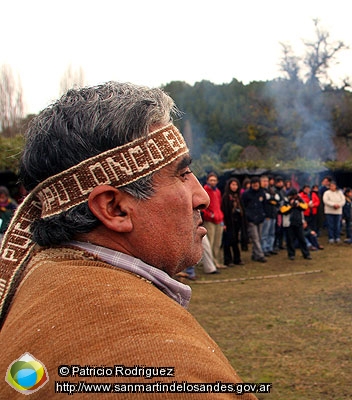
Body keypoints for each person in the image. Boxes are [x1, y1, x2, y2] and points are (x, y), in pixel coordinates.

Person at [0, 82, 257, 399]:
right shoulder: (167, 373)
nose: (202, 196)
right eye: (182, 173)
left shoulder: (41, 279)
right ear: (115, 208)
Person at [280, 189, 311, 260]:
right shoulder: (285, 201)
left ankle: (306, 254)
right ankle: (291, 254)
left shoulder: (299, 200)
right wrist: (291, 206)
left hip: (298, 222)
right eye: (293, 195)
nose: (295, 196)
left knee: (302, 239)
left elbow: (305, 207)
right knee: (290, 240)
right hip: (289, 223)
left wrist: (298, 204)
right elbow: (282, 210)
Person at [242, 176, 267, 262]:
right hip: (251, 219)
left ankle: (255, 254)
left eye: (257, 184)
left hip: (260, 218)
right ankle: (260, 255)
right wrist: (248, 216)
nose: (256, 186)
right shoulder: (246, 194)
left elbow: (264, 204)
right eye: (254, 184)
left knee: (259, 238)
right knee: (255, 238)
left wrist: (264, 215)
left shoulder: (262, 193)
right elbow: (243, 206)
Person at [203, 172, 225, 268]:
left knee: (217, 243)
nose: (213, 182)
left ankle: (216, 261)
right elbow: (203, 207)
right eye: (211, 180)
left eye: (214, 180)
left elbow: (219, 205)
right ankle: (210, 263)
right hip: (210, 220)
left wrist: (222, 219)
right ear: (208, 181)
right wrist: (209, 215)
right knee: (210, 243)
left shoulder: (217, 191)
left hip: (219, 219)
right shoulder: (205, 190)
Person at [222, 177, 246, 267]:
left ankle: (237, 258)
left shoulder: (238, 197)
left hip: (237, 222)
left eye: (236, 185)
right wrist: (224, 223)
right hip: (229, 222)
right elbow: (224, 210)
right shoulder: (226, 197)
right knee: (228, 241)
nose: (234, 186)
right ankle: (228, 259)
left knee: (236, 240)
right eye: (233, 184)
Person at [260, 175, 279, 256]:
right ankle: (264, 249)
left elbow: (276, 200)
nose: (265, 183)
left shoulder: (271, 190)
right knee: (265, 233)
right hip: (266, 215)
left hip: (273, 214)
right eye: (264, 181)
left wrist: (272, 199)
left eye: (266, 181)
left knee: (272, 233)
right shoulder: (260, 191)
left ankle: (270, 248)